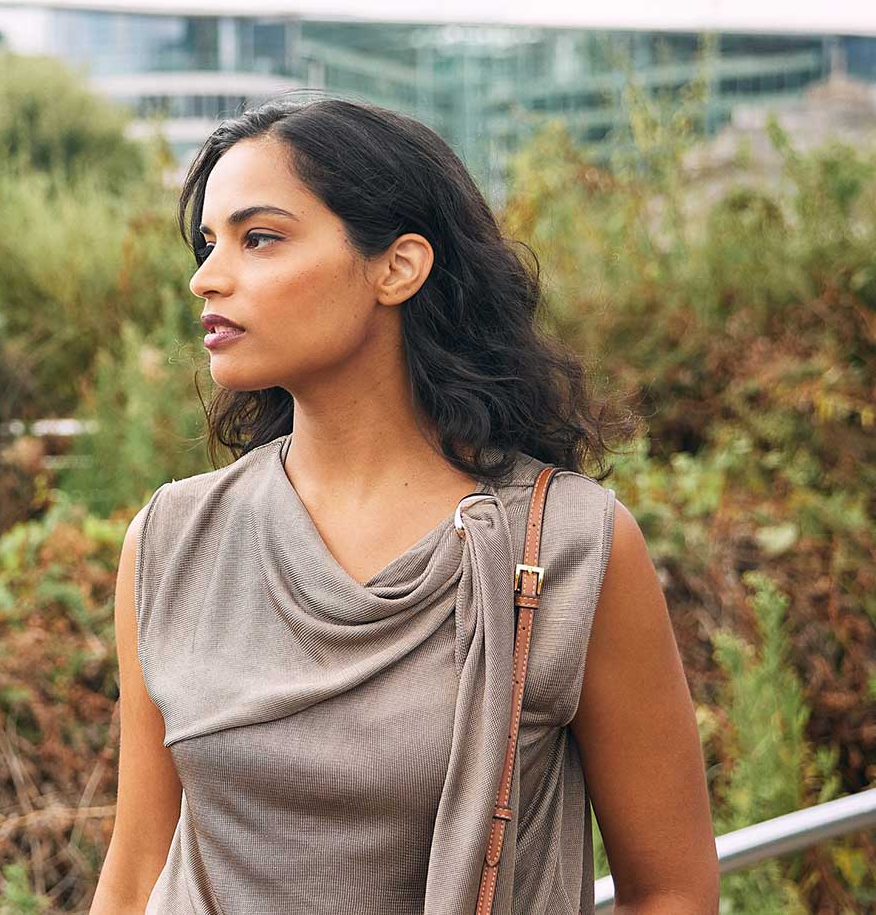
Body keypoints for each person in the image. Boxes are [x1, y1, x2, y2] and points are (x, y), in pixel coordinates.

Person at [90, 95, 719, 913]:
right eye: (210, 243)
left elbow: (670, 890)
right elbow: (139, 864)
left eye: (261, 238)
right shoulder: (171, 539)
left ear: (398, 266)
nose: (205, 277)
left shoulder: (567, 544)